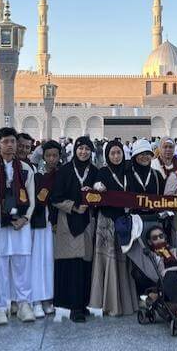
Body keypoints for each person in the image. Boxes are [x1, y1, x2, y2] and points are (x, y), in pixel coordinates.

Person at [0, 127, 35, 325]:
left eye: (13, 141)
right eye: (5, 141)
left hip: (21, 224)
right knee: (0, 266)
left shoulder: (26, 168)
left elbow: (31, 196)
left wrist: (26, 218)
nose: (10, 145)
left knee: (22, 264)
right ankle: (0, 307)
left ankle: (23, 304)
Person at [90, 140, 138, 316]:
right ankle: (109, 304)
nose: (116, 156)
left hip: (124, 221)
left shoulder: (127, 172)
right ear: (107, 155)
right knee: (109, 261)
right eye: (113, 153)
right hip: (108, 222)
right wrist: (97, 188)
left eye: (119, 153)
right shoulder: (103, 171)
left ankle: (125, 302)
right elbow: (96, 192)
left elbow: (133, 193)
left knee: (123, 261)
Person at [51, 135, 96, 322]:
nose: (83, 152)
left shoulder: (94, 171)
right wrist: (75, 206)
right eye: (80, 148)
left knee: (85, 265)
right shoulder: (65, 171)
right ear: (74, 150)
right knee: (72, 266)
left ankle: (83, 304)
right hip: (68, 222)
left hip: (87, 223)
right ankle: (73, 307)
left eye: (87, 149)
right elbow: (55, 198)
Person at [28, 140, 60, 318]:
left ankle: (48, 298)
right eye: (48, 155)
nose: (52, 158)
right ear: (44, 157)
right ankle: (37, 300)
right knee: (38, 261)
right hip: (41, 222)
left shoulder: (61, 174)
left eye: (55, 155)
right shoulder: (37, 175)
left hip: (56, 223)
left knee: (50, 262)